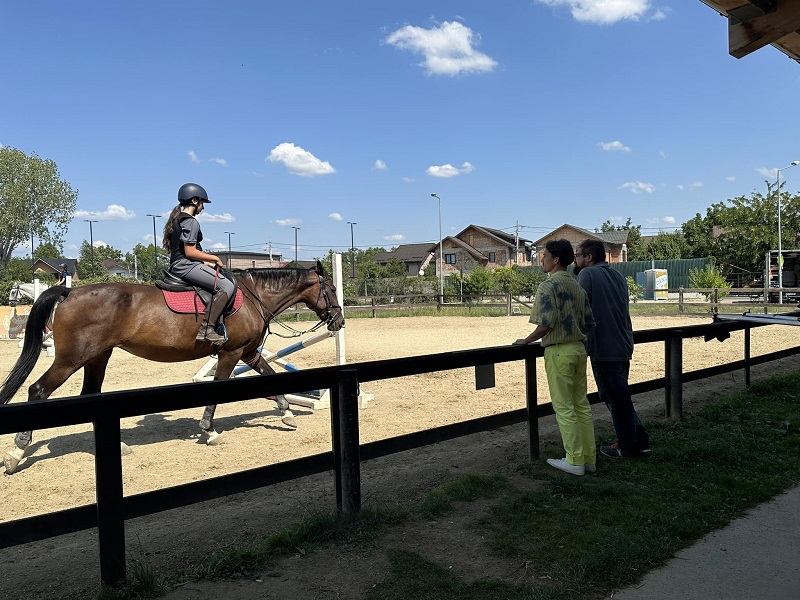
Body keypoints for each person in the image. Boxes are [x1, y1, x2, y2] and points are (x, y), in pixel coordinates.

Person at [514, 239, 596, 476]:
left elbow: (546, 324)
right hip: (578, 349)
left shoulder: (548, 287)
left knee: (564, 407)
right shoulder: (578, 287)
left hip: (559, 351)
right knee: (581, 405)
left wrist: (526, 340)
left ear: (556, 259)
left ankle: (574, 459)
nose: (542, 259)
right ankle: (588, 458)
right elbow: (589, 322)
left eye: (545, 255)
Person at [574, 239, 650, 458]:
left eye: (578, 255)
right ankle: (639, 439)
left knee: (614, 397)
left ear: (588, 257)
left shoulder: (587, 275)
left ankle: (628, 447)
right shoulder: (618, 276)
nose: (576, 259)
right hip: (623, 343)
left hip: (604, 346)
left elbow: (579, 306)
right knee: (619, 394)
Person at [162, 183, 235, 344]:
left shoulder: (177, 219)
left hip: (181, 264)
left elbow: (182, 250)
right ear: (194, 200)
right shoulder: (190, 221)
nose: (203, 208)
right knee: (227, 286)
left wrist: (204, 262)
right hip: (185, 266)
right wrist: (213, 258)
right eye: (202, 203)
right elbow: (189, 252)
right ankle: (207, 328)